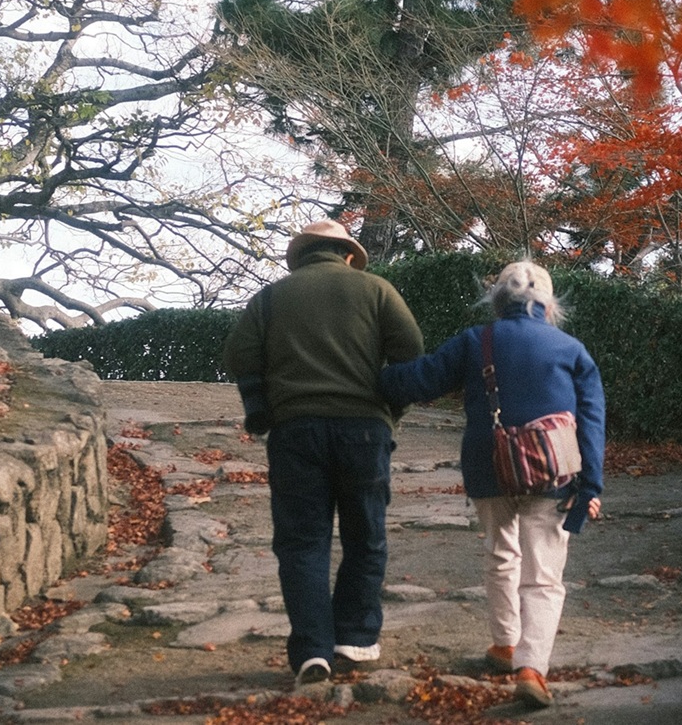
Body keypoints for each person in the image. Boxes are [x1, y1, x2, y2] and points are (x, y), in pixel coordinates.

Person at [377, 261, 606, 709]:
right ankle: (531, 667)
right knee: (543, 574)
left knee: (501, 551)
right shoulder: (572, 348)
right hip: (553, 468)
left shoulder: (474, 341)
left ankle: (505, 643)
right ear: (548, 303)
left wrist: (367, 372)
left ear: (497, 300)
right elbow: (592, 421)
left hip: (490, 464)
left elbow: (420, 381)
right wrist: (591, 485)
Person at [222, 219, 423, 688]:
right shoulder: (376, 289)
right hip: (364, 432)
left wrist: (265, 404)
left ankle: (312, 650)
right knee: (365, 535)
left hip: (296, 433)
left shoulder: (270, 298)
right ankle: (353, 638)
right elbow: (410, 351)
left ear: (303, 256)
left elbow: (238, 355)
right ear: (347, 254)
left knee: (302, 544)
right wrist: (391, 408)